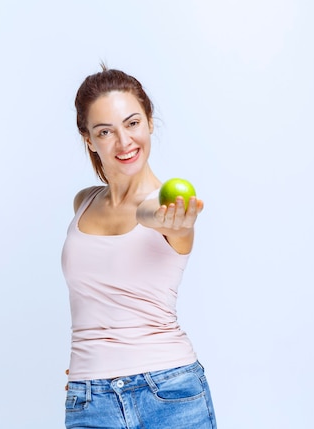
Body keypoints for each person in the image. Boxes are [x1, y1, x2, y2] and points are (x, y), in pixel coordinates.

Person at [61, 65, 217, 429]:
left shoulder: (165, 209)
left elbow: (150, 213)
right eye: (106, 131)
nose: (124, 141)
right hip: (88, 399)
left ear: (149, 121)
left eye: (132, 124)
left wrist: (169, 218)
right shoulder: (83, 202)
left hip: (169, 391)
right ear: (89, 139)